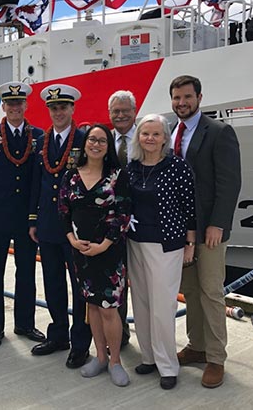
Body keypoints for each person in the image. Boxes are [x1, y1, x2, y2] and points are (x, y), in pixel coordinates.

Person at [170, 75, 241, 389]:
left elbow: (229, 182)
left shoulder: (219, 131)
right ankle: (196, 345)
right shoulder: (172, 132)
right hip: (182, 231)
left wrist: (218, 224)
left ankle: (216, 357)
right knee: (191, 291)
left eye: (187, 97)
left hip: (209, 229)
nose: (182, 103)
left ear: (199, 97)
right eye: (176, 98)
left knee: (212, 292)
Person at [127, 114, 196, 390]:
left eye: (156, 134)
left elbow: (189, 207)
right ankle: (149, 357)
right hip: (135, 241)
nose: (151, 139)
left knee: (163, 306)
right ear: (138, 137)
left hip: (166, 243)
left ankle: (168, 365)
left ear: (165, 138)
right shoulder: (132, 167)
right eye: (146, 134)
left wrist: (190, 243)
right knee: (141, 303)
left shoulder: (177, 167)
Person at [59, 124, 131, 386]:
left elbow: (123, 214)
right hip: (82, 253)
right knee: (91, 305)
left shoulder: (117, 175)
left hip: (109, 253)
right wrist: (72, 240)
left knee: (109, 308)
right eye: (92, 139)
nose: (96, 144)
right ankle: (100, 356)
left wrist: (103, 245)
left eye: (102, 140)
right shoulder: (72, 176)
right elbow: (63, 212)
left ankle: (115, 361)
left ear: (107, 146)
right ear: (85, 144)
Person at [0, 82, 45, 349]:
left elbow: (39, 180)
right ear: (4, 106)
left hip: (27, 219)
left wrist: (35, 217)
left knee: (26, 272)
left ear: (26, 105)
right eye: (10, 103)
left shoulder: (38, 136)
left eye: (19, 103)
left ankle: (25, 323)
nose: (15, 107)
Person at [29, 84, 92, 369]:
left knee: (80, 288)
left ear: (72, 109)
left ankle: (80, 343)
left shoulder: (85, 140)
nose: (58, 112)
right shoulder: (42, 140)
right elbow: (37, 184)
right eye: (53, 108)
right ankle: (58, 335)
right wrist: (33, 219)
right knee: (53, 282)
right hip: (48, 224)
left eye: (63, 107)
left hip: (75, 228)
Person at [108, 89, 137, 347]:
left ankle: (150, 339)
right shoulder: (106, 141)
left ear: (134, 112)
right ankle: (119, 335)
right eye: (116, 112)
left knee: (144, 282)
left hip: (144, 223)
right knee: (115, 281)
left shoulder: (148, 136)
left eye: (125, 111)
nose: (120, 115)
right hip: (113, 224)